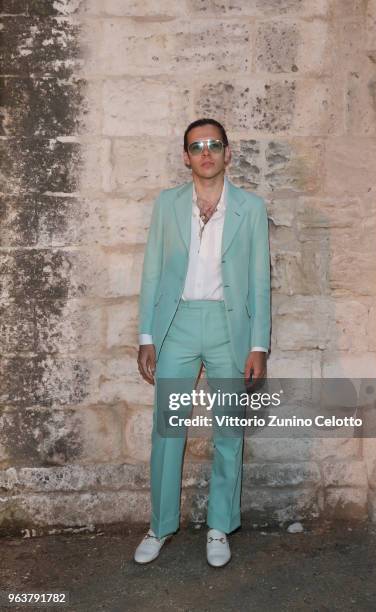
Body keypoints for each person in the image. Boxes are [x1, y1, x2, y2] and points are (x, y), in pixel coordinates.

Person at [134, 118, 271, 567]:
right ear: (186, 155)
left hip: (228, 327)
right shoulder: (167, 204)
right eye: (197, 146)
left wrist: (259, 345)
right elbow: (152, 269)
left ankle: (219, 526)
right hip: (177, 325)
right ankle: (160, 526)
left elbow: (259, 282)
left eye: (214, 145)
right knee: (169, 427)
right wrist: (147, 335)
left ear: (228, 153)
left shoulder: (249, 208)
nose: (206, 152)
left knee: (228, 428)